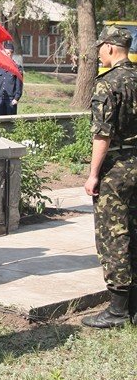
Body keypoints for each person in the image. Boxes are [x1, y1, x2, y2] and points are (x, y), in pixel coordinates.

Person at [82, 25, 137, 329]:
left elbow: (102, 135)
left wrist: (92, 174)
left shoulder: (109, 84)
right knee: (135, 230)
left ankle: (117, 310)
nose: (99, 53)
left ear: (111, 48)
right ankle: (134, 306)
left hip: (117, 167)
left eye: (100, 47)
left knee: (113, 234)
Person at [0, 41, 23, 115]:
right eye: (5, 53)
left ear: (12, 54)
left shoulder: (17, 67)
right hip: (0, 98)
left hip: (11, 99)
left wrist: (16, 98)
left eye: (8, 53)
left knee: (11, 122)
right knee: (0, 122)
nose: (6, 55)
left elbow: (19, 84)